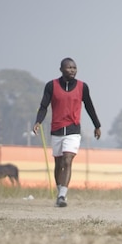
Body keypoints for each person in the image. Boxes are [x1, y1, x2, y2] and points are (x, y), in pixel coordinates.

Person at [33, 57, 102, 207]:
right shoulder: (51, 86)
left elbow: (89, 106)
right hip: (56, 129)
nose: (72, 70)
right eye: (69, 67)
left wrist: (97, 125)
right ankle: (60, 193)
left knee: (67, 160)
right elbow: (44, 106)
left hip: (73, 130)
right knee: (58, 163)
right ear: (61, 69)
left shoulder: (83, 87)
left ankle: (63, 195)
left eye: (74, 68)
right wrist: (38, 121)